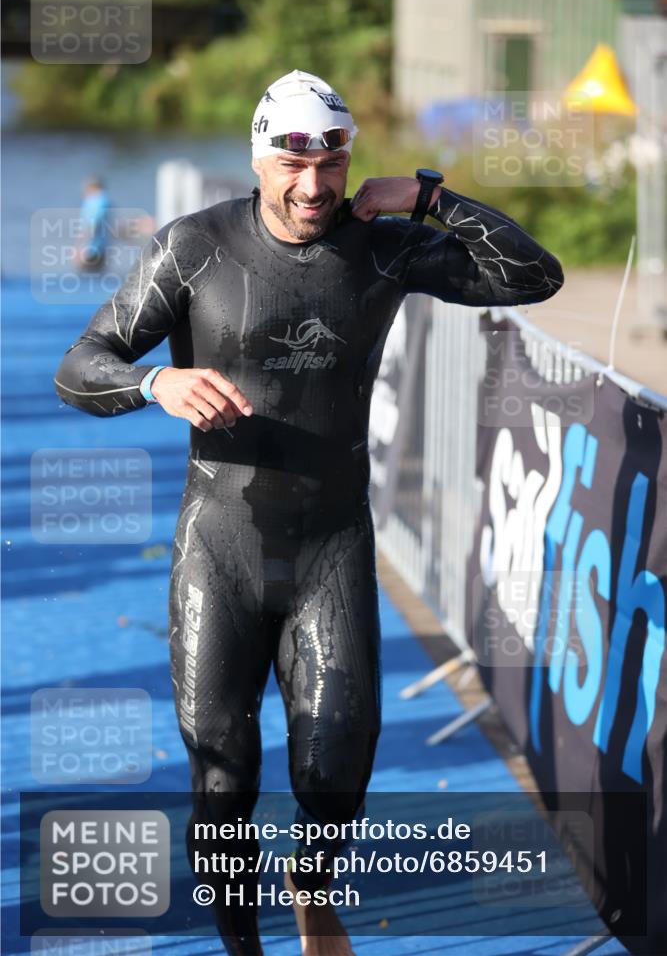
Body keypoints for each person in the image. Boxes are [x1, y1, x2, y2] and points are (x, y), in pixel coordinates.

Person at [54, 69, 564, 955]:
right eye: (293, 167)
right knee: (223, 772)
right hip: (219, 545)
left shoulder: (383, 245)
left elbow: (533, 276)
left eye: (331, 165)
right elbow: (79, 364)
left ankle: (311, 881)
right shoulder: (194, 247)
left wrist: (436, 196)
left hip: (332, 542)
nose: (313, 188)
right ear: (258, 160)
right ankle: (242, 946)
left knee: (339, 761)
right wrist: (155, 381)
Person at [76, 177, 111, 271]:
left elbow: (92, 225)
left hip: (92, 249)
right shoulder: (104, 201)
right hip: (102, 248)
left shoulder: (97, 202)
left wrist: (80, 248)